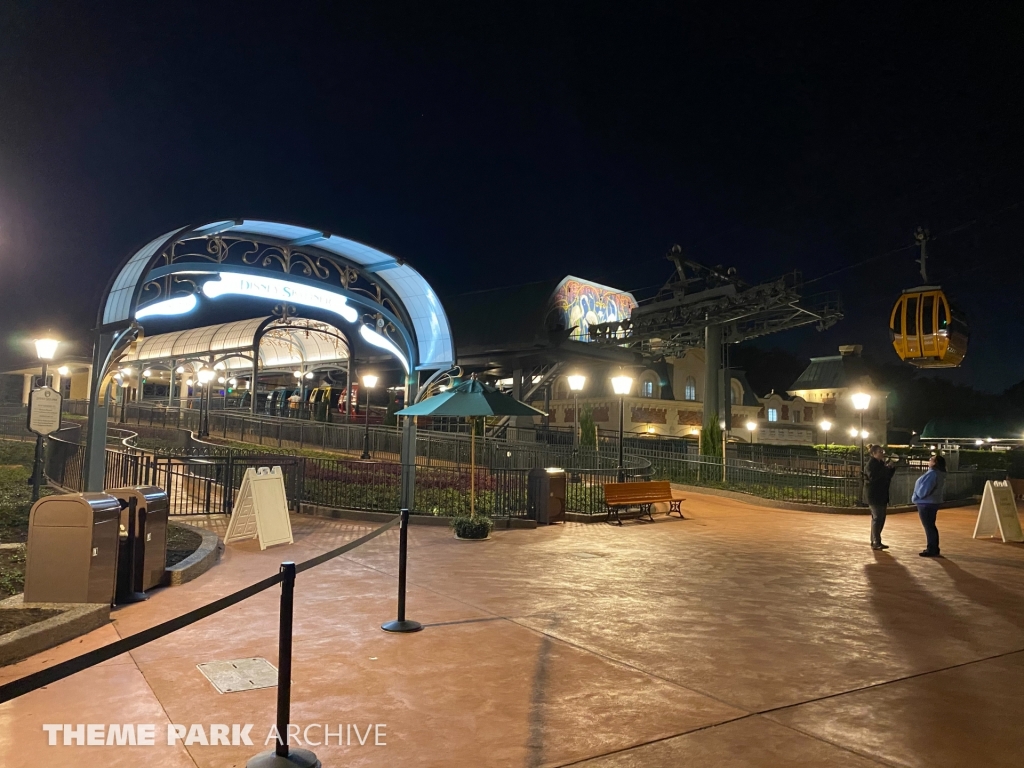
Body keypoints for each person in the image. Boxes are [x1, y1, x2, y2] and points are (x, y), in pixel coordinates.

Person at [864, 445, 898, 550]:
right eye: (880, 451)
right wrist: (886, 469)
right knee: (877, 517)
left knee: (881, 518)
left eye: (882, 451)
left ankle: (875, 540)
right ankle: (876, 541)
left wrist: (891, 469)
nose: (882, 453)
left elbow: (886, 476)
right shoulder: (871, 464)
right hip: (874, 494)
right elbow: (873, 478)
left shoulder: (881, 463)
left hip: (882, 493)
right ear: (873, 453)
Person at [912, 454, 947, 557]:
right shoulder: (939, 474)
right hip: (933, 502)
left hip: (926, 503)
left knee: (928, 526)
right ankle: (933, 547)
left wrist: (918, 495)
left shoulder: (932, 474)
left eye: (931, 459)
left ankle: (931, 548)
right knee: (931, 525)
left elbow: (925, 489)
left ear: (935, 463)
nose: (929, 461)